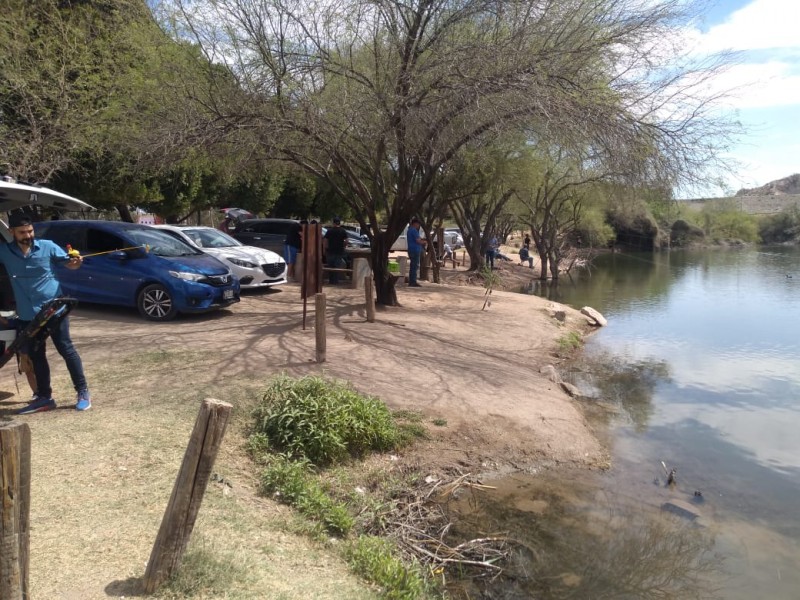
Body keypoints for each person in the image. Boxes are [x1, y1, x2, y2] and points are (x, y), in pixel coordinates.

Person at [0, 213, 91, 413]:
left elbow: (70, 263)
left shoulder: (48, 246)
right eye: (22, 232)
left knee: (66, 349)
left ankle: (83, 391)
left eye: (30, 231)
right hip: (27, 314)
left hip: (54, 310)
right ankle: (44, 397)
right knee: (36, 355)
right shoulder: (4, 252)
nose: (28, 235)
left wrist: (76, 263)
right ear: (11, 232)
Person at [323, 217, 349, 284]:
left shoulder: (330, 231)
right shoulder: (343, 231)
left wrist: (325, 248)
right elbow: (346, 241)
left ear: (333, 223)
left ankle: (331, 281)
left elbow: (325, 240)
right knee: (337, 267)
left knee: (330, 266)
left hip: (330, 251)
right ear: (339, 223)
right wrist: (343, 246)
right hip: (339, 251)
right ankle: (335, 281)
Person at [407, 217, 427, 287]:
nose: (418, 226)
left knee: (413, 265)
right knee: (415, 266)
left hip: (411, 249)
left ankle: (411, 280)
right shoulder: (414, 230)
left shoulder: (409, 230)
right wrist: (424, 242)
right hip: (415, 250)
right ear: (415, 224)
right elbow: (418, 241)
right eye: (418, 224)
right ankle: (413, 281)